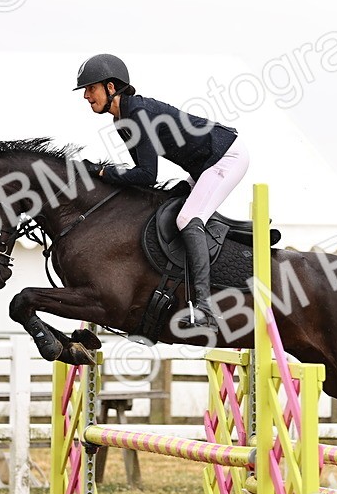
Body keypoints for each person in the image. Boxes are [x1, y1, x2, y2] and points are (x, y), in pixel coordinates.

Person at [74, 53, 248, 333]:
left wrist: (104, 172)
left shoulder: (137, 115)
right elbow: (141, 179)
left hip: (224, 157)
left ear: (110, 87)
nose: (86, 96)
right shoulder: (123, 120)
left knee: (187, 219)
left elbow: (146, 175)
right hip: (203, 166)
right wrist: (103, 175)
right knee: (166, 205)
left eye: (90, 88)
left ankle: (206, 309)